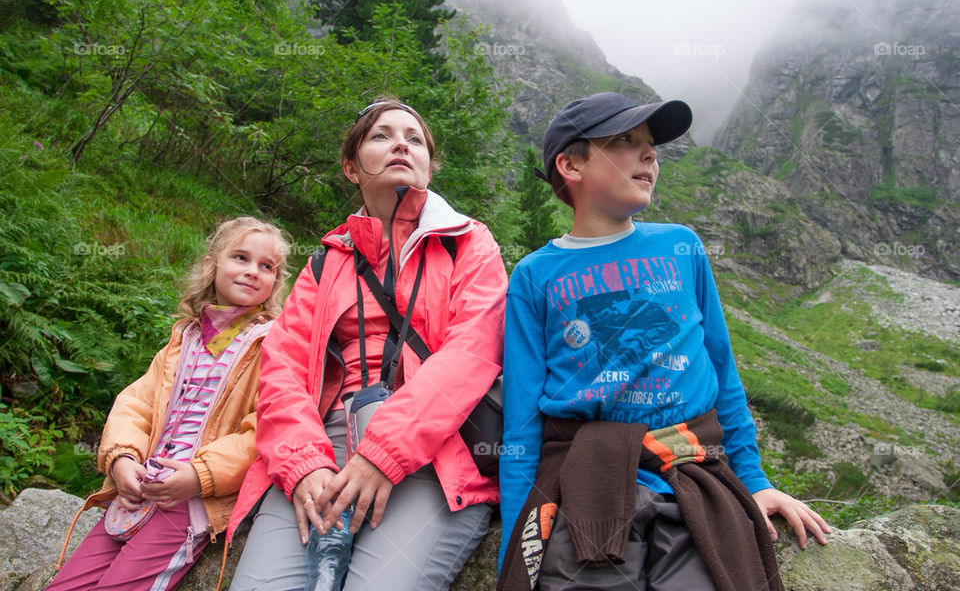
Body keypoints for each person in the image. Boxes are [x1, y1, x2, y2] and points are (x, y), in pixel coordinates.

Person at [497, 92, 831, 591]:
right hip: (584, 481)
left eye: (651, 145)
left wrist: (756, 483)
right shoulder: (534, 276)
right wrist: (517, 549)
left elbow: (722, 372)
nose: (650, 154)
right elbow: (522, 421)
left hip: (692, 470)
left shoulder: (681, 246)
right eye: (626, 142)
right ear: (570, 164)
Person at [228, 98, 508, 591]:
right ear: (351, 168)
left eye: (414, 138)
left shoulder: (470, 244)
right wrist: (302, 464)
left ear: (428, 164)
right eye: (381, 135)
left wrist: (384, 453)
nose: (401, 143)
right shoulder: (326, 261)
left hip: (433, 454)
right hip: (325, 443)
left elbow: (473, 353)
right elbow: (282, 369)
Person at [48, 216, 289, 591]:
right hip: (140, 489)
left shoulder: (273, 343)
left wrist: (199, 476)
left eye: (266, 266)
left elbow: (265, 425)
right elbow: (137, 404)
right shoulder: (183, 338)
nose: (253, 271)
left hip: (193, 504)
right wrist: (123, 459)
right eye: (240, 257)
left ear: (276, 280)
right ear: (212, 266)